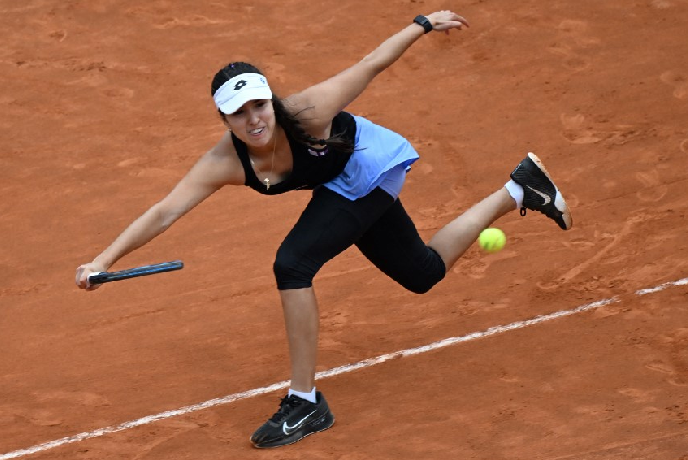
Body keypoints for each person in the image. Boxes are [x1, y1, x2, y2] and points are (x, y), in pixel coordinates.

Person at [75, 10, 572, 449]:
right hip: (340, 186)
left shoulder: (307, 112)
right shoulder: (224, 162)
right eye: (238, 112)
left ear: (271, 101)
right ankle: (519, 190)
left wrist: (421, 25)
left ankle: (304, 399)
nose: (253, 120)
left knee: (292, 262)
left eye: (259, 106)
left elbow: (370, 65)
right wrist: (103, 260)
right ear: (223, 119)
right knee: (421, 273)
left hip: (368, 163)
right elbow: (164, 211)